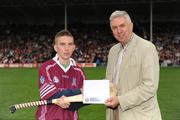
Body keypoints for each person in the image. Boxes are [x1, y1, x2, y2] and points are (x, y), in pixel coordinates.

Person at [104, 10, 162, 120]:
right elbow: (109, 81)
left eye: (122, 26)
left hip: (139, 115)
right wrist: (90, 90)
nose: (119, 30)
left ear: (131, 26)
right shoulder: (113, 51)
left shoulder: (147, 48)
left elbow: (149, 86)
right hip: (114, 114)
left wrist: (120, 100)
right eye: (114, 28)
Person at [36, 29, 86, 120]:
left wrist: (70, 102)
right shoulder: (46, 67)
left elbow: (86, 97)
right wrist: (77, 93)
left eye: (70, 44)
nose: (66, 48)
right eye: (62, 44)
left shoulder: (79, 72)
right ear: (55, 48)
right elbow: (49, 94)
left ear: (74, 47)